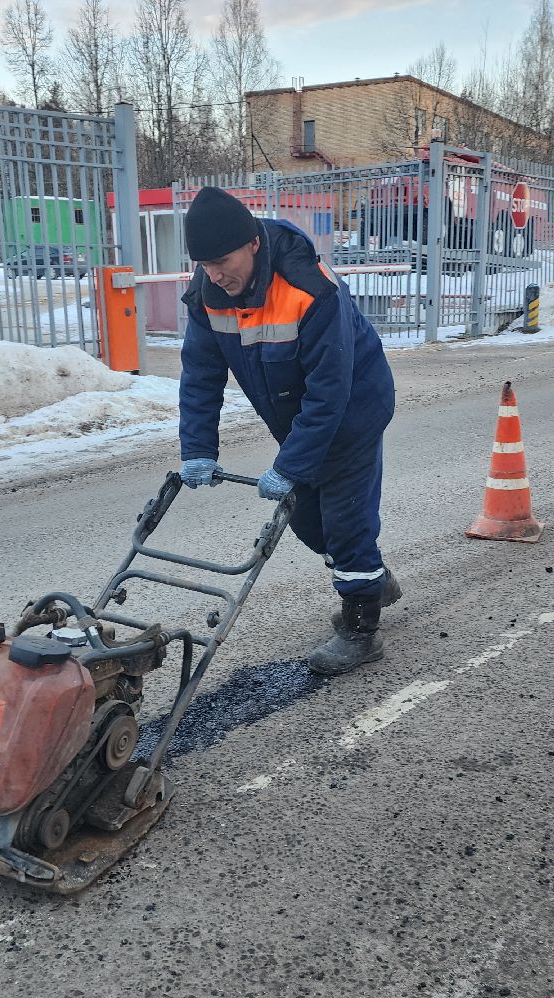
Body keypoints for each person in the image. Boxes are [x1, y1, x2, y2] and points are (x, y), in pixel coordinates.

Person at [175, 186, 399, 676]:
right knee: (307, 521)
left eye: (223, 260)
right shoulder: (209, 294)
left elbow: (330, 390)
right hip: (296, 415)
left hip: (352, 407)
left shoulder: (308, 287)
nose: (215, 273)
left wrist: (291, 462)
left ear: (253, 243)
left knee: (345, 518)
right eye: (205, 263)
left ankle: (361, 626)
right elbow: (200, 375)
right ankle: (371, 577)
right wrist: (197, 448)